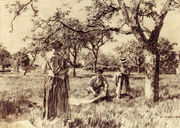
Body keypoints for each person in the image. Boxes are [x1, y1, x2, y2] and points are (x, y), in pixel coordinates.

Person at [43, 41, 70, 121]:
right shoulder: (52, 56)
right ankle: (52, 118)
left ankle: (56, 118)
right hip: (55, 80)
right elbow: (56, 71)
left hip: (56, 80)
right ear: (56, 48)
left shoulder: (56, 55)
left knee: (57, 99)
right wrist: (66, 69)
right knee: (54, 99)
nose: (60, 49)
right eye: (59, 47)